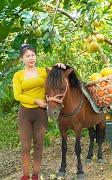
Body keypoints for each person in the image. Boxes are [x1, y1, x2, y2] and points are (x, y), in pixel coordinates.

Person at [12, 44, 66, 180]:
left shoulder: (43, 71)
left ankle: (35, 174)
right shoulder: (18, 75)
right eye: (27, 56)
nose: (31, 58)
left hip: (40, 114)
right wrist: (36, 101)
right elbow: (17, 95)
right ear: (22, 59)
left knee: (38, 145)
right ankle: (25, 175)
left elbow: (55, 74)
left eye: (33, 55)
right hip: (25, 113)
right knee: (25, 146)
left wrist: (58, 65)